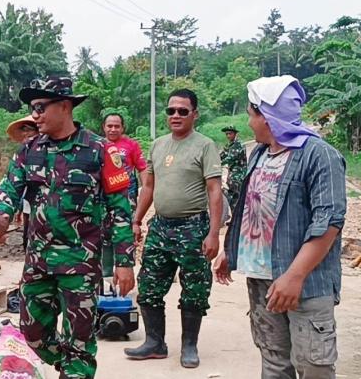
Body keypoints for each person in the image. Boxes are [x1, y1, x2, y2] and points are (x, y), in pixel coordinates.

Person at [0, 76, 135, 378]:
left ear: (65, 106)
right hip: (38, 263)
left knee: (80, 342)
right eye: (32, 108)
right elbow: (7, 192)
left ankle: (76, 366)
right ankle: (71, 365)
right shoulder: (28, 150)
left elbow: (121, 210)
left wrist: (124, 262)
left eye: (41, 107)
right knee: (32, 332)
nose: (35, 115)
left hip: (80, 266)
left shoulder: (101, 151)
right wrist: (0, 217)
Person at [214, 75, 346, 379]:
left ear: (266, 116)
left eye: (251, 115)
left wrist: (294, 276)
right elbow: (251, 207)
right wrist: (230, 251)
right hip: (262, 280)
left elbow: (328, 223)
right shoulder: (259, 154)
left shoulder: (319, 155)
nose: (249, 124)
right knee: (273, 363)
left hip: (305, 285)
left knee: (314, 365)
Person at [124, 88, 223, 369]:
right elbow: (149, 187)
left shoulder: (204, 145)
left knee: (194, 290)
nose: (175, 115)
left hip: (193, 228)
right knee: (149, 286)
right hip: (161, 228)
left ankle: (189, 346)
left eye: (182, 111)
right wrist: (137, 219)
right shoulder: (158, 145)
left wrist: (214, 233)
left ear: (195, 114)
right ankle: (155, 343)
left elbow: (215, 191)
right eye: (171, 111)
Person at [101, 108, 148, 207]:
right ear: (104, 127)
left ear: (122, 128)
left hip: (126, 193)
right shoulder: (98, 145)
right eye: (109, 126)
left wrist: (146, 188)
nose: (113, 129)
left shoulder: (132, 145)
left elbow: (142, 168)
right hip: (103, 193)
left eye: (117, 126)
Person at [6, 115, 40, 250]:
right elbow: (14, 185)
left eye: (29, 129)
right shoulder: (22, 153)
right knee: (27, 236)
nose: (25, 133)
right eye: (23, 130)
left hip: (44, 209)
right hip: (27, 204)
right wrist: (16, 209)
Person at [219, 125, 247, 214]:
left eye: (230, 134)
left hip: (239, 175)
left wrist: (216, 165)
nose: (228, 136)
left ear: (235, 134)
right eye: (226, 134)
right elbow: (222, 155)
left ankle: (238, 218)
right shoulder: (229, 145)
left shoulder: (238, 144)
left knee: (237, 196)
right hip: (232, 174)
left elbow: (231, 158)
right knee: (231, 196)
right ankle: (234, 217)